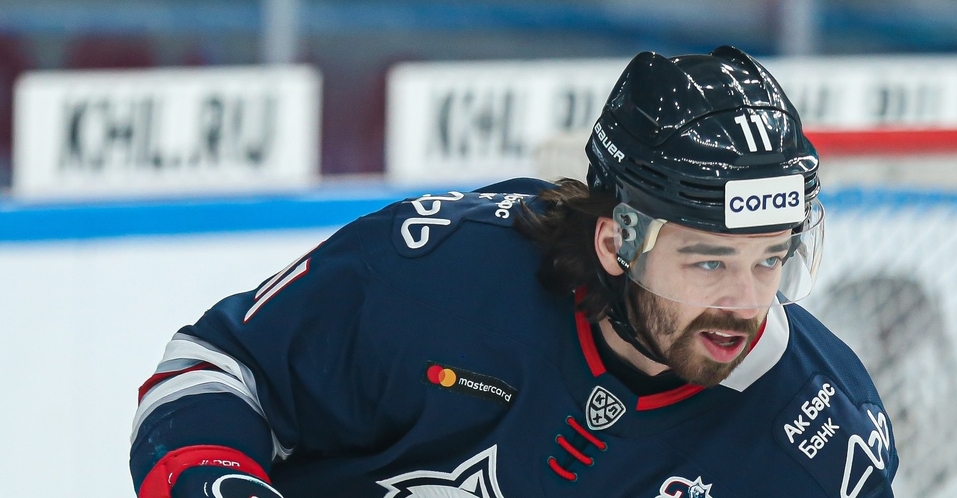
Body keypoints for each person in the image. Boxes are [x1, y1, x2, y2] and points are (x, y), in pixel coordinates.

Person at [130, 45, 898, 498]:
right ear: (616, 244)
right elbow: (215, 369)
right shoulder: (435, 276)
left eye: (771, 259)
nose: (745, 302)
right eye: (708, 261)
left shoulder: (818, 433)